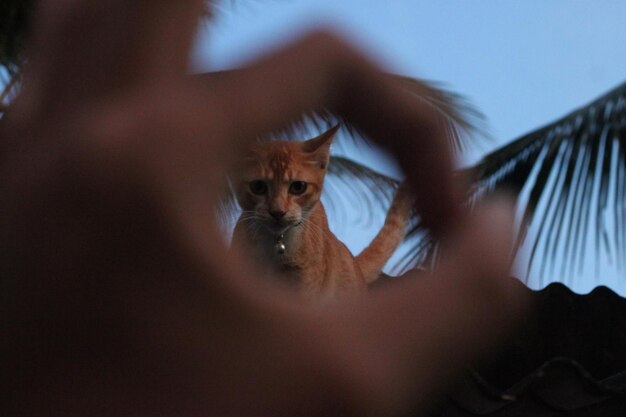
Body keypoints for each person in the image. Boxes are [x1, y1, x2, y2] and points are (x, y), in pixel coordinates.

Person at [0, 1, 527, 416]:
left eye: (297, 189)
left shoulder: (306, 230)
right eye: (257, 190)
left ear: (318, 174)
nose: (276, 205)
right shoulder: (242, 232)